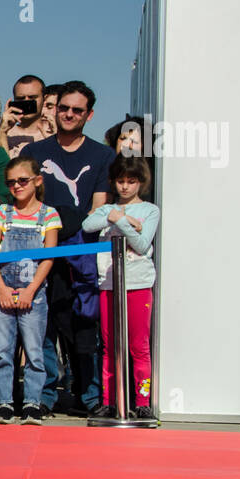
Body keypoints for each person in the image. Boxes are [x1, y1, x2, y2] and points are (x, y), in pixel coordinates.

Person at [23, 80, 112, 416]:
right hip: (39, 252)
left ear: (89, 115)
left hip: (82, 254)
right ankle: (43, 397)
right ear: (55, 109)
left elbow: (99, 209)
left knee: (84, 328)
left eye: (77, 110)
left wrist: (70, 230)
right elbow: (26, 203)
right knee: (43, 327)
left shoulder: (103, 155)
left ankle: (90, 397)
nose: (69, 114)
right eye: (64, 108)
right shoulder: (35, 153)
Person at [81, 154, 159, 419]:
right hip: (109, 284)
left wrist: (121, 220)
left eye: (131, 181)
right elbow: (88, 224)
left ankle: (143, 401)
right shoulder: (107, 210)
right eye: (120, 181)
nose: (125, 187)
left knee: (139, 346)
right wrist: (116, 216)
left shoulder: (150, 210)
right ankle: (109, 400)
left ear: (141, 182)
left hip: (138, 284)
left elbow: (141, 244)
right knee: (109, 346)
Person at [0, 156, 61, 424]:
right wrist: (1, 289)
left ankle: (32, 403)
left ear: (37, 181)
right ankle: (4, 404)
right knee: (2, 351)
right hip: (2, 292)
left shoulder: (49, 214)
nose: (17, 186)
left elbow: (49, 258)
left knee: (34, 350)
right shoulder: (2, 213)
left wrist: (31, 290)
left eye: (22, 180)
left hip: (35, 294)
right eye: (11, 182)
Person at [0, 75, 50, 158]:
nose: (26, 102)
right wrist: (2, 133)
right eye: (21, 98)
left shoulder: (54, 134)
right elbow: (0, 167)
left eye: (32, 97)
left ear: (45, 99)